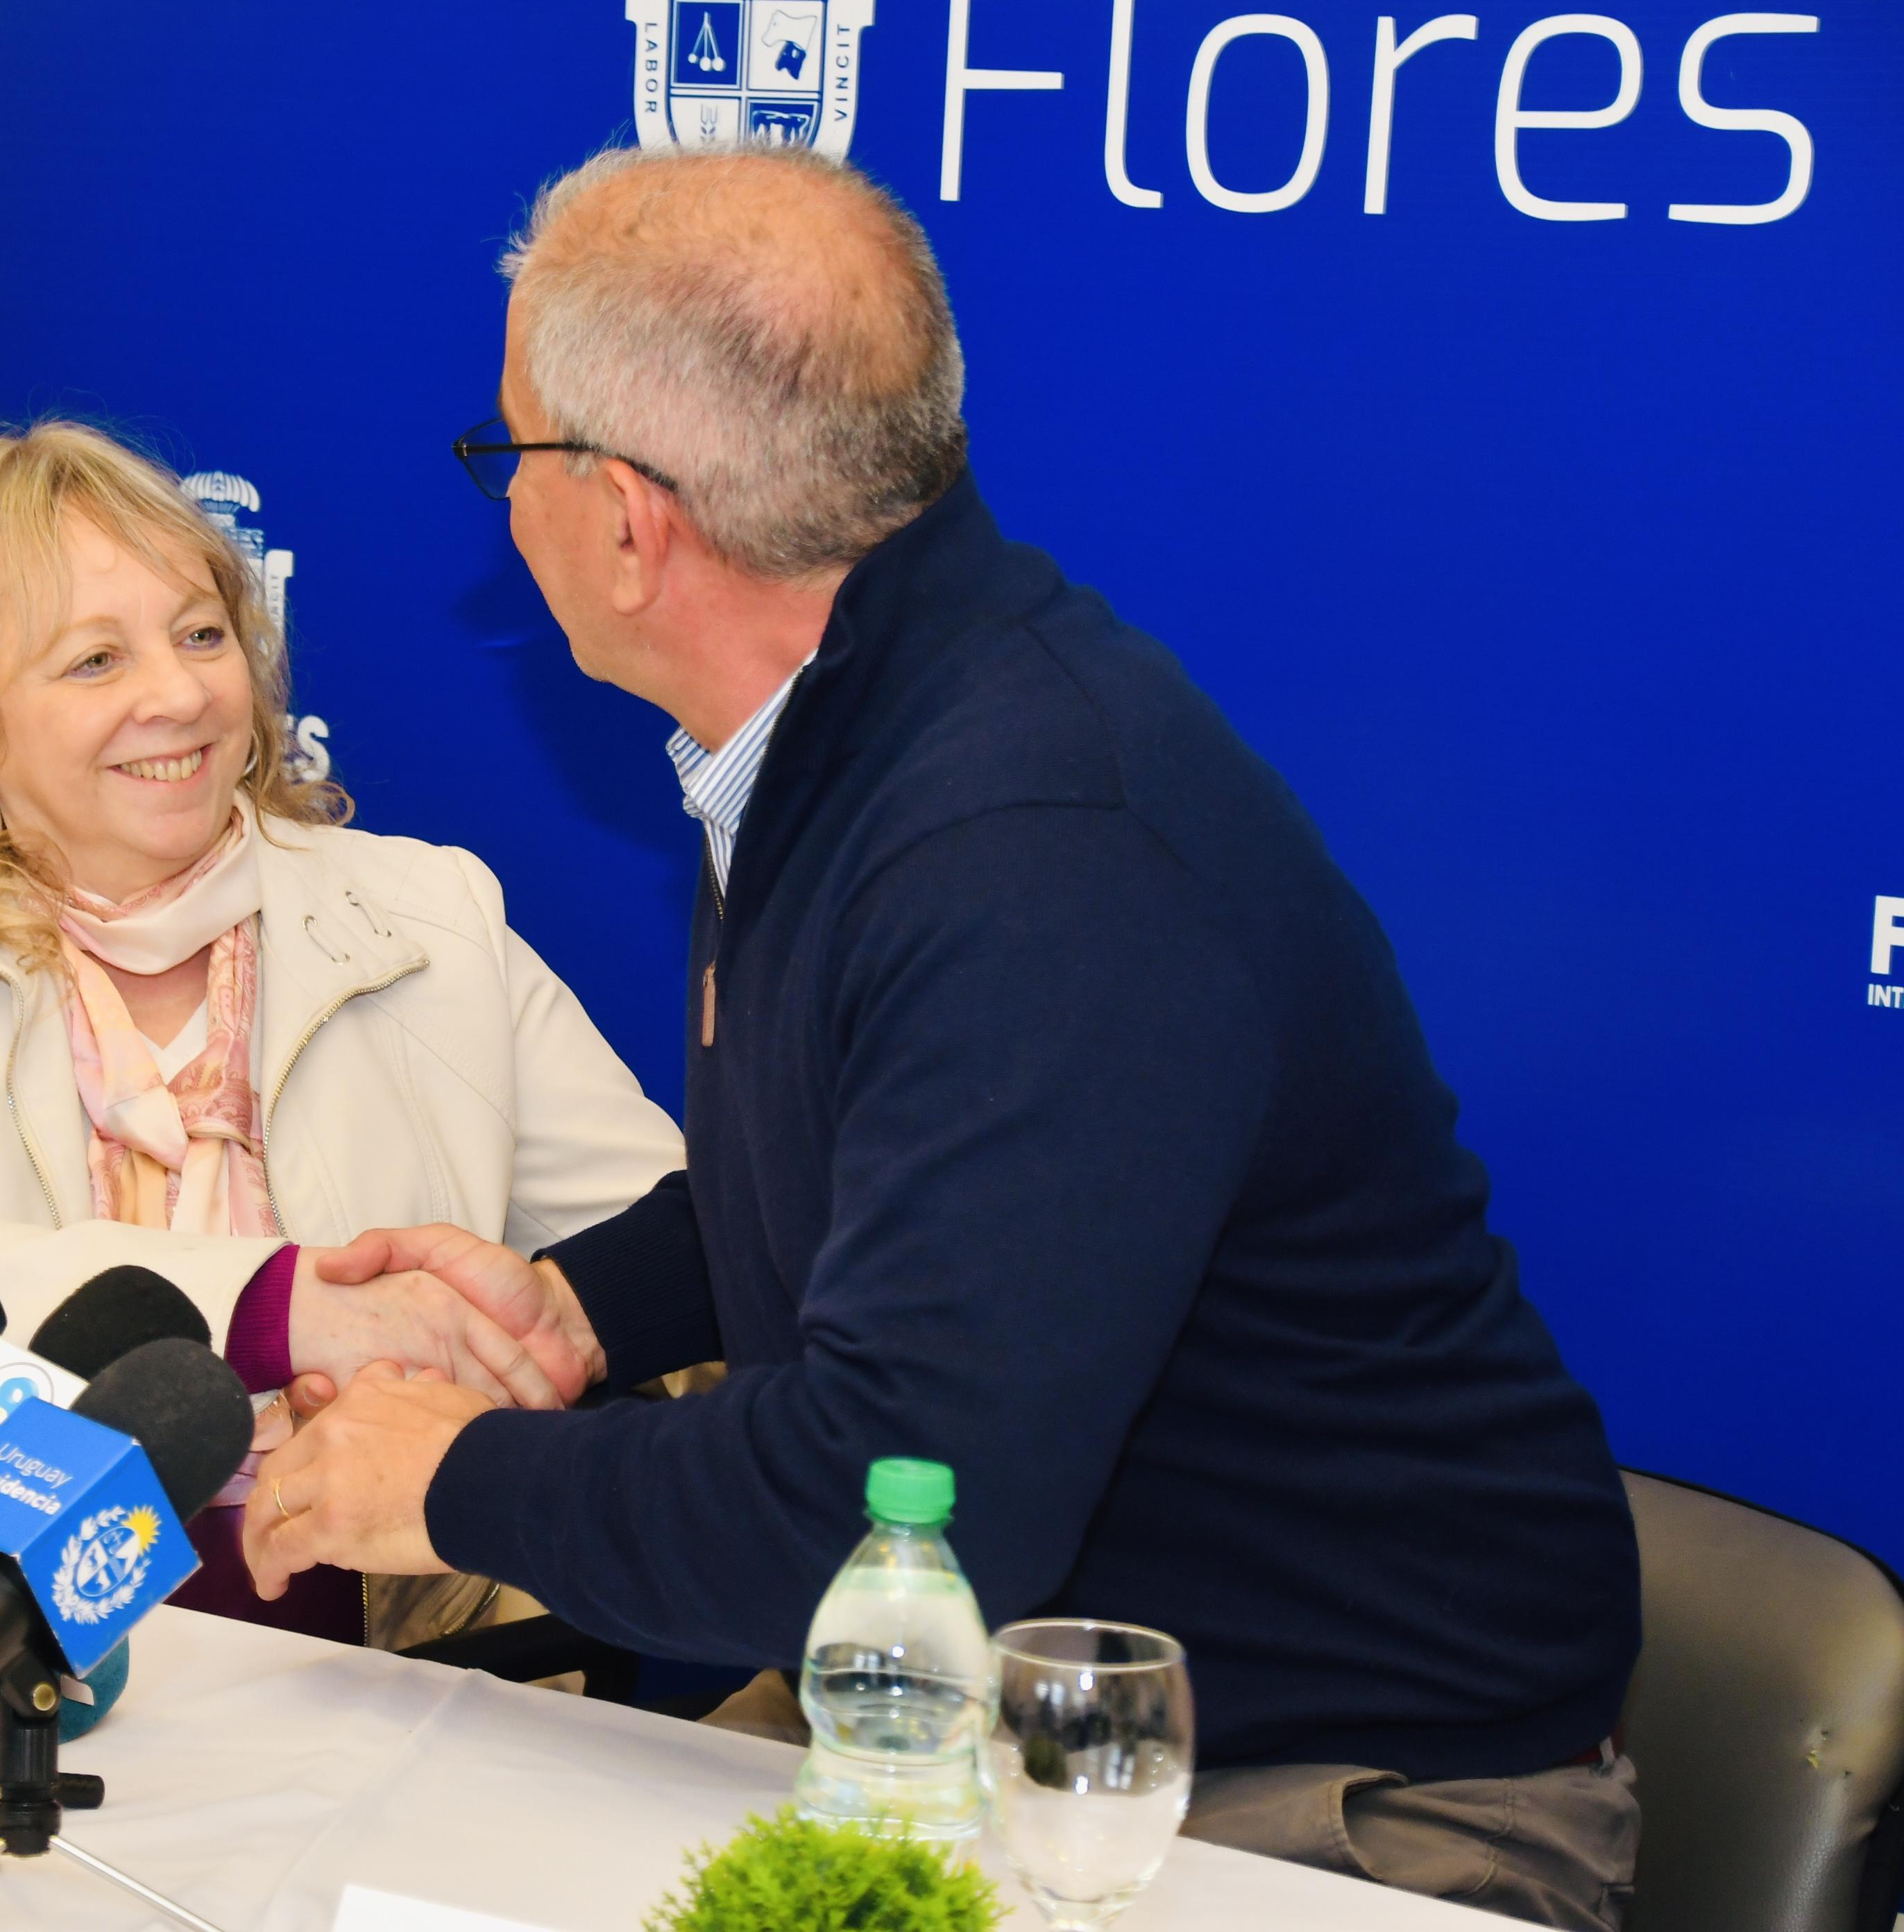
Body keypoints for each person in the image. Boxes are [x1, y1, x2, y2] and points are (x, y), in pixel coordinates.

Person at [245, 146, 1643, 1928]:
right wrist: (592, 1311)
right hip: (999, 1714)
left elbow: (894, 1513)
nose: (498, 503)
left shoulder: (1035, 849)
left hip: (1332, 1797)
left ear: (621, 517)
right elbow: (915, 1166)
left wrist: (460, 1482)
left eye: (506, 453)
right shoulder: (858, 722)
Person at [0, 421, 680, 1647]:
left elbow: (679, 1244)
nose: (177, 694)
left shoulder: (431, 921)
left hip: (403, 1668)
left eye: (203, 634)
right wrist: (279, 1310)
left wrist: (527, 1335)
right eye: (94, 660)